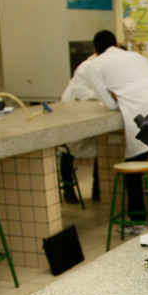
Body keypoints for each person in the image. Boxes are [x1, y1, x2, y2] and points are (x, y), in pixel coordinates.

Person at [81, 30, 148, 235]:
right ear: (117, 43)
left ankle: (138, 220)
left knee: (133, 169)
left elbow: (109, 104)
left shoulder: (94, 65)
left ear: (95, 50)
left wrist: (121, 99)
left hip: (141, 111)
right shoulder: (137, 57)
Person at [59, 54, 100, 203]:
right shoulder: (87, 67)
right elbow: (80, 91)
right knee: (68, 150)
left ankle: (97, 190)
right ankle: (68, 189)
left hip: (90, 113)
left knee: (99, 149)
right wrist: (102, 93)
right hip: (72, 111)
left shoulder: (103, 65)